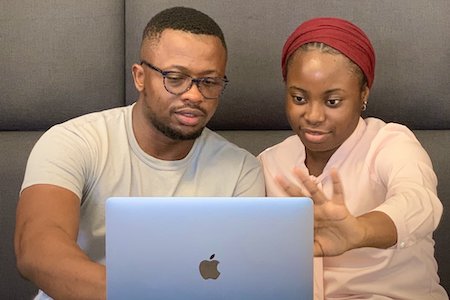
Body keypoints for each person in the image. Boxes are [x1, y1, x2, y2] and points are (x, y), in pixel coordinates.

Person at [14, 6, 265, 300]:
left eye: (209, 82)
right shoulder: (73, 141)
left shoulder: (243, 171)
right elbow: (37, 249)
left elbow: (242, 278)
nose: (194, 95)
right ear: (140, 77)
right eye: (175, 77)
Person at [258, 17, 448, 299]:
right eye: (299, 98)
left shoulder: (390, 143)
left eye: (332, 101)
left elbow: (419, 203)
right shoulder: (269, 162)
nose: (313, 116)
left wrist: (359, 231)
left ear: (363, 95)